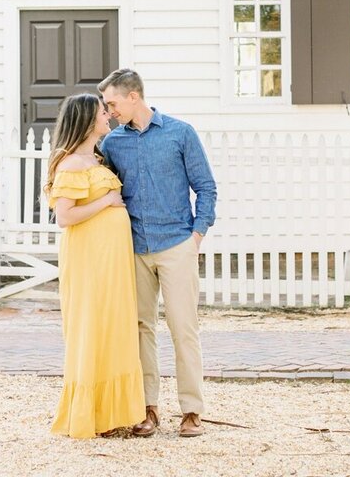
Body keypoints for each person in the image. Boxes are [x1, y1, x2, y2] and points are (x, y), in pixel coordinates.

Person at [98, 68, 217, 439]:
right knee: (139, 329)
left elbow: (206, 188)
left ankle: (192, 411)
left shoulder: (181, 133)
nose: (109, 110)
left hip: (176, 244)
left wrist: (196, 236)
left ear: (134, 96)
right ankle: (147, 408)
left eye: (113, 102)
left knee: (183, 329)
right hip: (133, 249)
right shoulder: (113, 143)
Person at [45, 93, 145, 439]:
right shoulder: (71, 164)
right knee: (92, 327)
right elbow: (65, 216)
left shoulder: (98, 160)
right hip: (89, 261)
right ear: (88, 120)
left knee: (113, 326)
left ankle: (112, 413)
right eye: (104, 112)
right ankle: (90, 413)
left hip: (112, 262)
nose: (109, 116)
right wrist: (106, 202)